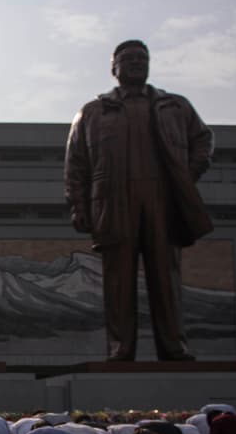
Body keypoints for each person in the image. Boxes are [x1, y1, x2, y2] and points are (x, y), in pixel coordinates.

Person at [65, 39, 214, 361]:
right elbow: (76, 164)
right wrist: (79, 205)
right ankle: (121, 349)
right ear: (113, 68)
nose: (136, 62)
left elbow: (202, 140)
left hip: (163, 200)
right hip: (113, 202)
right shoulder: (92, 112)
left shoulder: (174, 106)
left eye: (142, 58)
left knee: (166, 278)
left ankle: (174, 348)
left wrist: (186, 176)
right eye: (128, 58)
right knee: (118, 281)